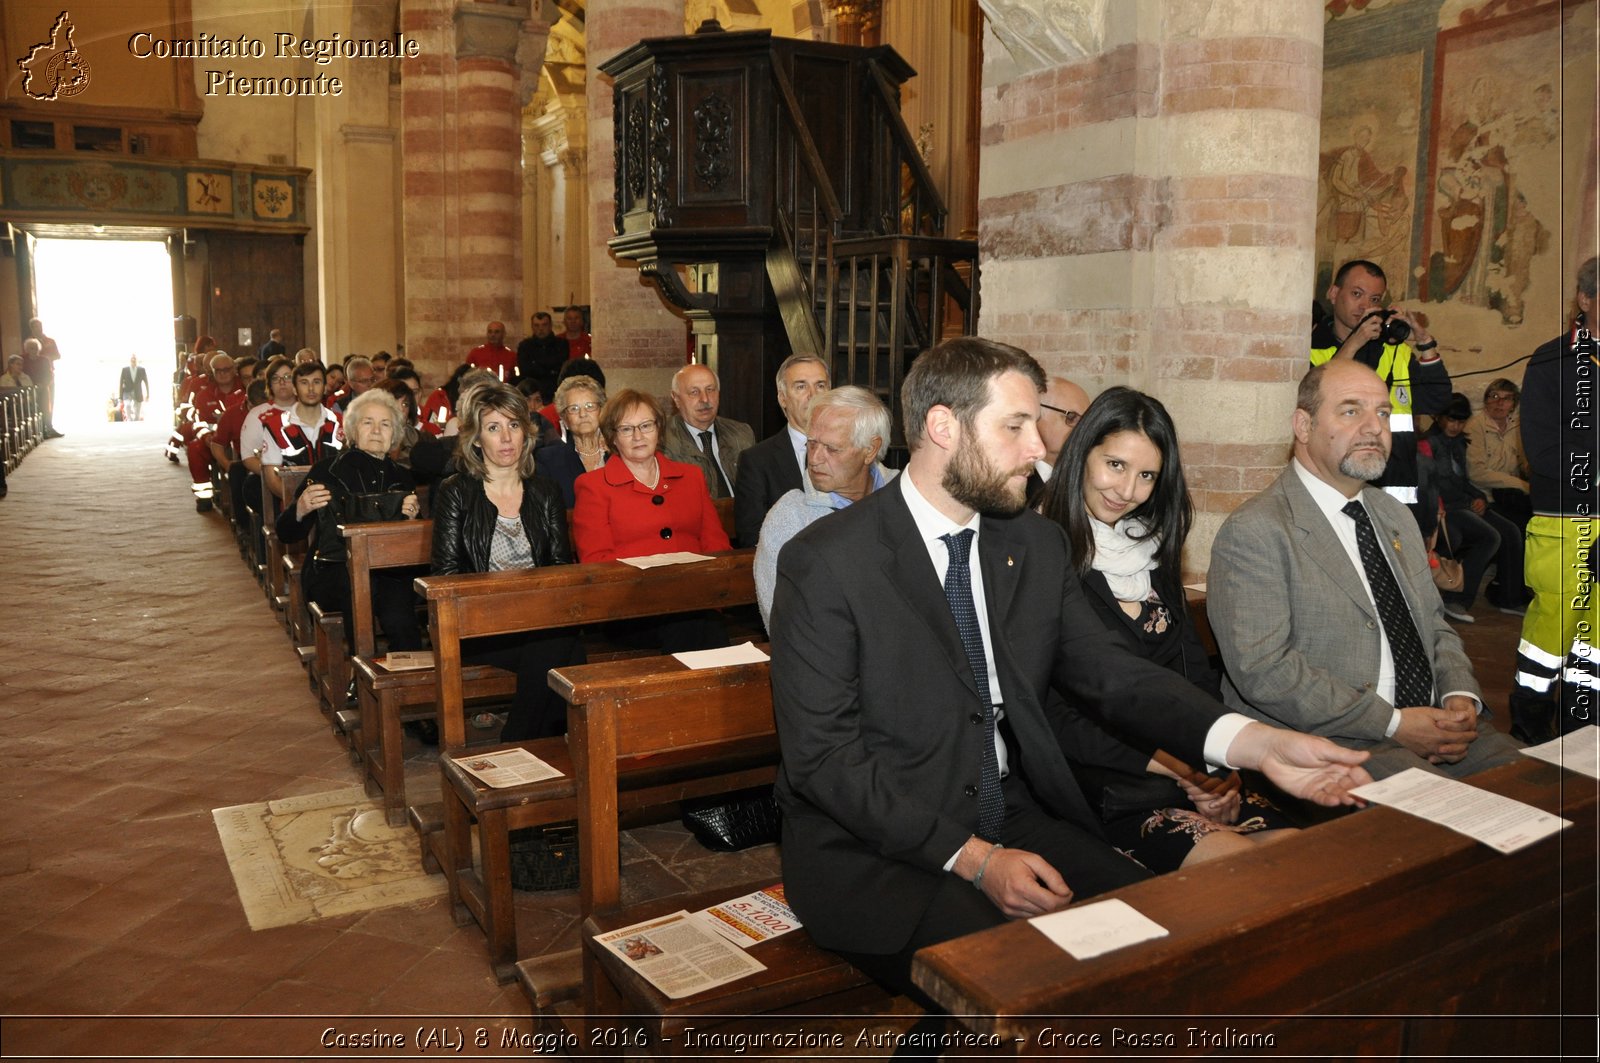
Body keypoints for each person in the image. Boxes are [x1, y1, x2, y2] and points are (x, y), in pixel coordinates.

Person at [769, 337, 1372, 997]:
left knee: (1162, 945)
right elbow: (826, 761)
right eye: (1015, 425)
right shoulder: (827, 561)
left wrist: (1259, 743)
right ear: (943, 426)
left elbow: (1114, 674)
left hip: (1010, 814)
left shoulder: (1032, 543)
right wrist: (976, 860)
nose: (1040, 447)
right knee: (1027, 980)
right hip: (875, 849)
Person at [1208, 361, 1519, 781]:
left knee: (1558, 793)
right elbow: (1264, 671)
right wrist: (1393, 723)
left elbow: (1433, 624)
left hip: (1435, 721)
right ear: (1303, 425)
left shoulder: (1393, 513)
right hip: (1332, 741)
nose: (1375, 427)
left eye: (1383, 413)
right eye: (1352, 411)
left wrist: (1459, 695)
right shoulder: (1257, 530)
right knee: (1458, 820)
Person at [1037, 387, 1294, 871]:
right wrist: (1183, 768)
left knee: (1305, 858)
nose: (1127, 490)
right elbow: (1052, 716)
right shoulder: (1040, 550)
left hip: (1186, 766)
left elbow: (1193, 671)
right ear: (1081, 453)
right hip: (1100, 784)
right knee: (1247, 875)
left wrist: (1220, 771)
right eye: (1115, 465)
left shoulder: (1148, 549)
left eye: (1146, 475)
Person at [430, 381, 585, 739]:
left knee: (561, 642)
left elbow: (560, 567)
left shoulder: (545, 491)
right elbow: (445, 574)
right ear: (476, 437)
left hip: (539, 619)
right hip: (479, 624)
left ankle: (523, 746)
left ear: (526, 433)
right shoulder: (456, 491)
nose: (506, 438)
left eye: (514, 425)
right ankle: (532, 743)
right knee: (565, 650)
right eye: (494, 428)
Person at [1510, 256, 1599, 743]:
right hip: (1565, 521)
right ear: (1584, 300)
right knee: (1554, 632)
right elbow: (1545, 451)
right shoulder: (1552, 361)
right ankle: (1530, 720)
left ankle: (1583, 727)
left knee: (1597, 642)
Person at [573, 389, 732, 653]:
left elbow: (715, 542)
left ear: (658, 429)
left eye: (646, 426)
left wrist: (713, 591)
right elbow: (596, 561)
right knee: (694, 626)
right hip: (630, 609)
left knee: (698, 622)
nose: (638, 436)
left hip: (695, 600)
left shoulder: (690, 477)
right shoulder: (594, 486)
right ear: (612, 436)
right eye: (626, 429)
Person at [276, 387, 424, 658]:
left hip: (386, 571)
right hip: (332, 571)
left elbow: (414, 544)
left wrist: (412, 519)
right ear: (354, 430)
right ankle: (364, 668)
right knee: (361, 583)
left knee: (397, 598)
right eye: (368, 422)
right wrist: (300, 508)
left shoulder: (402, 478)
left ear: (395, 435)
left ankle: (403, 675)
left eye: (385, 424)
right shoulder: (327, 470)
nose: (377, 430)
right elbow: (285, 532)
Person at [1310, 259, 1451, 518]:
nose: (1365, 306)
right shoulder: (1311, 349)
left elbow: (1437, 399)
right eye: (1356, 294)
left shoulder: (1394, 351)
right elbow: (1320, 393)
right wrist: (1356, 341)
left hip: (1393, 494)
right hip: (1334, 491)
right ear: (1333, 293)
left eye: (1374, 299)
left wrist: (1424, 342)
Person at [754, 386, 895, 626]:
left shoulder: (905, 498)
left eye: (831, 448)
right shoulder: (790, 516)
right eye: (811, 443)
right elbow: (780, 620)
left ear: (870, 450)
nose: (815, 458)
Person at [1421, 393, 1521, 619]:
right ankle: (1458, 599)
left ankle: (1509, 598)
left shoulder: (1457, 442)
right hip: (1445, 509)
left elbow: (1463, 481)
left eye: (1461, 421)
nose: (1456, 426)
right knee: (1490, 536)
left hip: (1463, 504)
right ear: (1438, 418)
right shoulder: (1428, 444)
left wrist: (1479, 498)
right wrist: (1468, 502)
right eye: (1452, 420)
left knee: (1510, 531)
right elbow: (1433, 486)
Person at [734, 354, 829, 547]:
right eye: (801, 386)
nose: (813, 395)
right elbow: (751, 537)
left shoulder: (851, 451)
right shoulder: (757, 461)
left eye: (820, 385)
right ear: (783, 398)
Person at [662, 363, 754, 501]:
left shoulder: (741, 434)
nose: (705, 399)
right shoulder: (663, 442)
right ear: (676, 398)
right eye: (694, 392)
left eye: (710, 390)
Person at [261, 361, 344, 500]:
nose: (311, 388)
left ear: (324, 387)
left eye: (316, 382)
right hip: (294, 508)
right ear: (294, 389)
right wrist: (298, 503)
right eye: (304, 383)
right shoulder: (275, 427)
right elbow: (271, 478)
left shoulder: (342, 422)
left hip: (336, 506)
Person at [1465, 377, 1531, 529]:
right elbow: (1476, 473)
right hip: (1485, 495)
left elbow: (1523, 462)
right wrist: (1522, 485)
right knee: (1516, 528)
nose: (1499, 403)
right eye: (1494, 396)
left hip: (1511, 494)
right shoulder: (1475, 426)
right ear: (1486, 401)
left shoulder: (1517, 426)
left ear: (1513, 405)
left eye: (1507, 398)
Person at [1028, 376, 1091, 503]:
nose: (1083, 429)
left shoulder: (1089, 479)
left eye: (1086, 421)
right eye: (1072, 417)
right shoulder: (1012, 479)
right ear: (1036, 412)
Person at [553, 374, 608, 475]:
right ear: (564, 418)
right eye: (574, 408)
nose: (582, 414)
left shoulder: (619, 450)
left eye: (590, 406)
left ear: (602, 411)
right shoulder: (550, 459)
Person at [517, 311, 568, 402]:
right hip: (532, 391)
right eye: (537, 325)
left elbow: (560, 368)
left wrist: (536, 363)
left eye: (544, 325)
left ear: (550, 325)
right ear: (532, 327)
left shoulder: (561, 344)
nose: (540, 329)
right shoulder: (525, 346)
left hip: (554, 391)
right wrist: (549, 367)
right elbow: (525, 370)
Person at [25, 319, 62, 438]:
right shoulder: (29, 341)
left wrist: (44, 357)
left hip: (47, 373)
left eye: (40, 326)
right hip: (34, 378)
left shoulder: (50, 341)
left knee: (49, 401)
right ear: (32, 328)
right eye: (36, 327)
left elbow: (57, 355)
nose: (39, 328)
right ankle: (39, 429)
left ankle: (49, 426)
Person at [119, 355, 150, 421]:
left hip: (138, 393)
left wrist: (148, 394)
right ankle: (129, 419)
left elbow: (146, 382)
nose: (133, 360)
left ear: (136, 360)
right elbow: (121, 383)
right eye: (132, 359)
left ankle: (136, 422)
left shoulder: (141, 370)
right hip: (127, 392)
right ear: (130, 360)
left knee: (137, 413)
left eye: (134, 359)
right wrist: (120, 397)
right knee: (127, 405)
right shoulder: (125, 370)